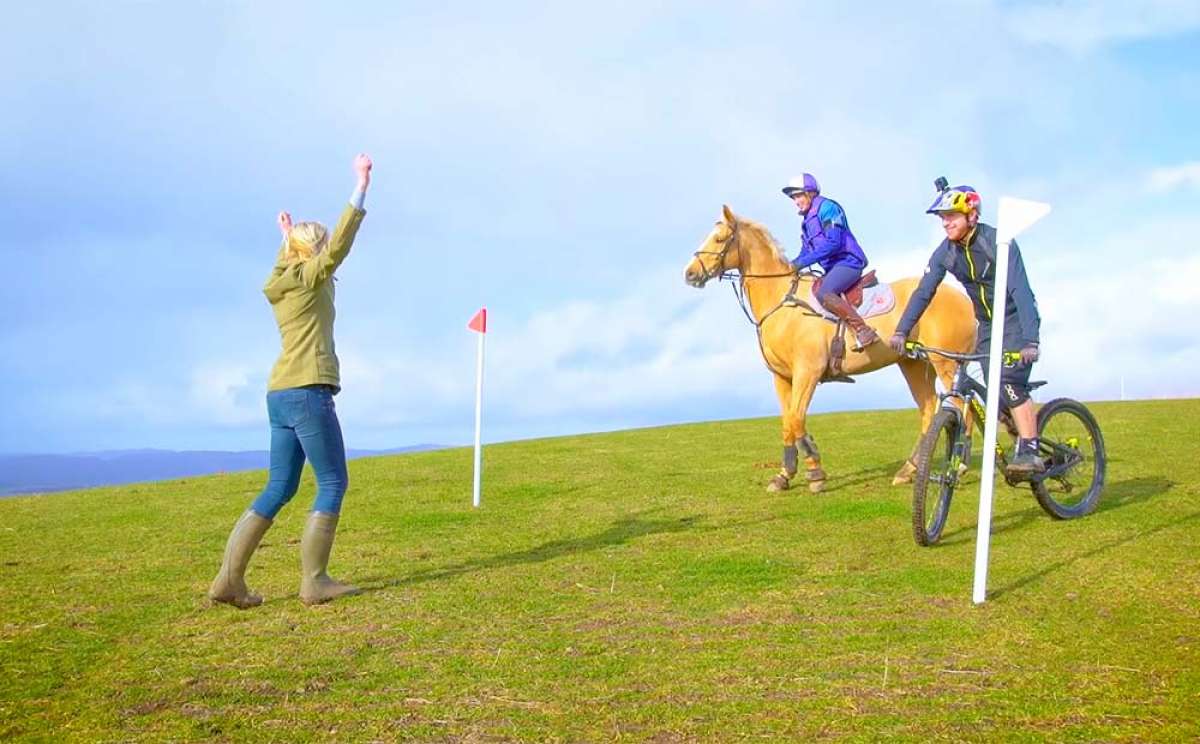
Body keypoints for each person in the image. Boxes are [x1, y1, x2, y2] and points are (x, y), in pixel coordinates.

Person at [210, 153, 372, 608]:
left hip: (279, 393)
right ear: (315, 252)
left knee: (279, 487)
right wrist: (359, 186)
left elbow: (293, 262)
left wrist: (286, 237)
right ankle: (314, 580)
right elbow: (339, 243)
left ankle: (228, 581)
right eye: (320, 248)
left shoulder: (282, 281)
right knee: (333, 482)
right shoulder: (313, 275)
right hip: (307, 391)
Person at [889, 184, 1044, 476]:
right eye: (943, 218)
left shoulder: (996, 242)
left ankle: (1031, 449)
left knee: (1009, 380)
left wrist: (1030, 340)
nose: (946, 223)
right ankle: (1014, 426)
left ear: (971, 216)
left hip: (1015, 320)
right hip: (986, 323)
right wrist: (901, 331)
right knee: (992, 391)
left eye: (952, 216)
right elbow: (924, 291)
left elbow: (1021, 291)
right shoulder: (946, 252)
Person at [782, 174, 879, 349]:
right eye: (793, 198)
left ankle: (862, 330)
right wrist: (790, 266)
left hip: (849, 262)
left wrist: (800, 264)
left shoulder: (828, 208)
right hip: (832, 268)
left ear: (810, 193)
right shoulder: (806, 222)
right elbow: (807, 251)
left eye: (798, 196)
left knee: (824, 291)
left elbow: (833, 242)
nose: (796, 202)